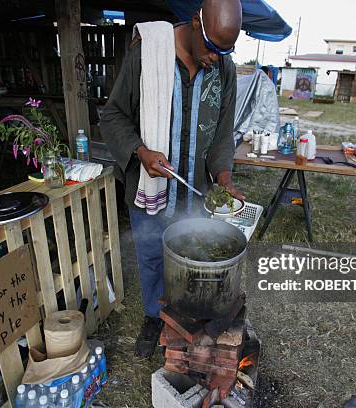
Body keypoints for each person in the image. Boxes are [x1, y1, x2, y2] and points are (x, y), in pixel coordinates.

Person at [100, 0, 244, 358]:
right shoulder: (147, 54)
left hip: (195, 188)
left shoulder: (223, 69)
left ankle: (185, 318)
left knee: (192, 257)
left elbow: (223, 133)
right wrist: (139, 151)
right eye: (212, 48)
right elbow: (113, 116)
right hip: (150, 183)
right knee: (151, 255)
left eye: (225, 51)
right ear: (196, 22)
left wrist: (224, 178)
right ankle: (153, 317)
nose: (215, 58)